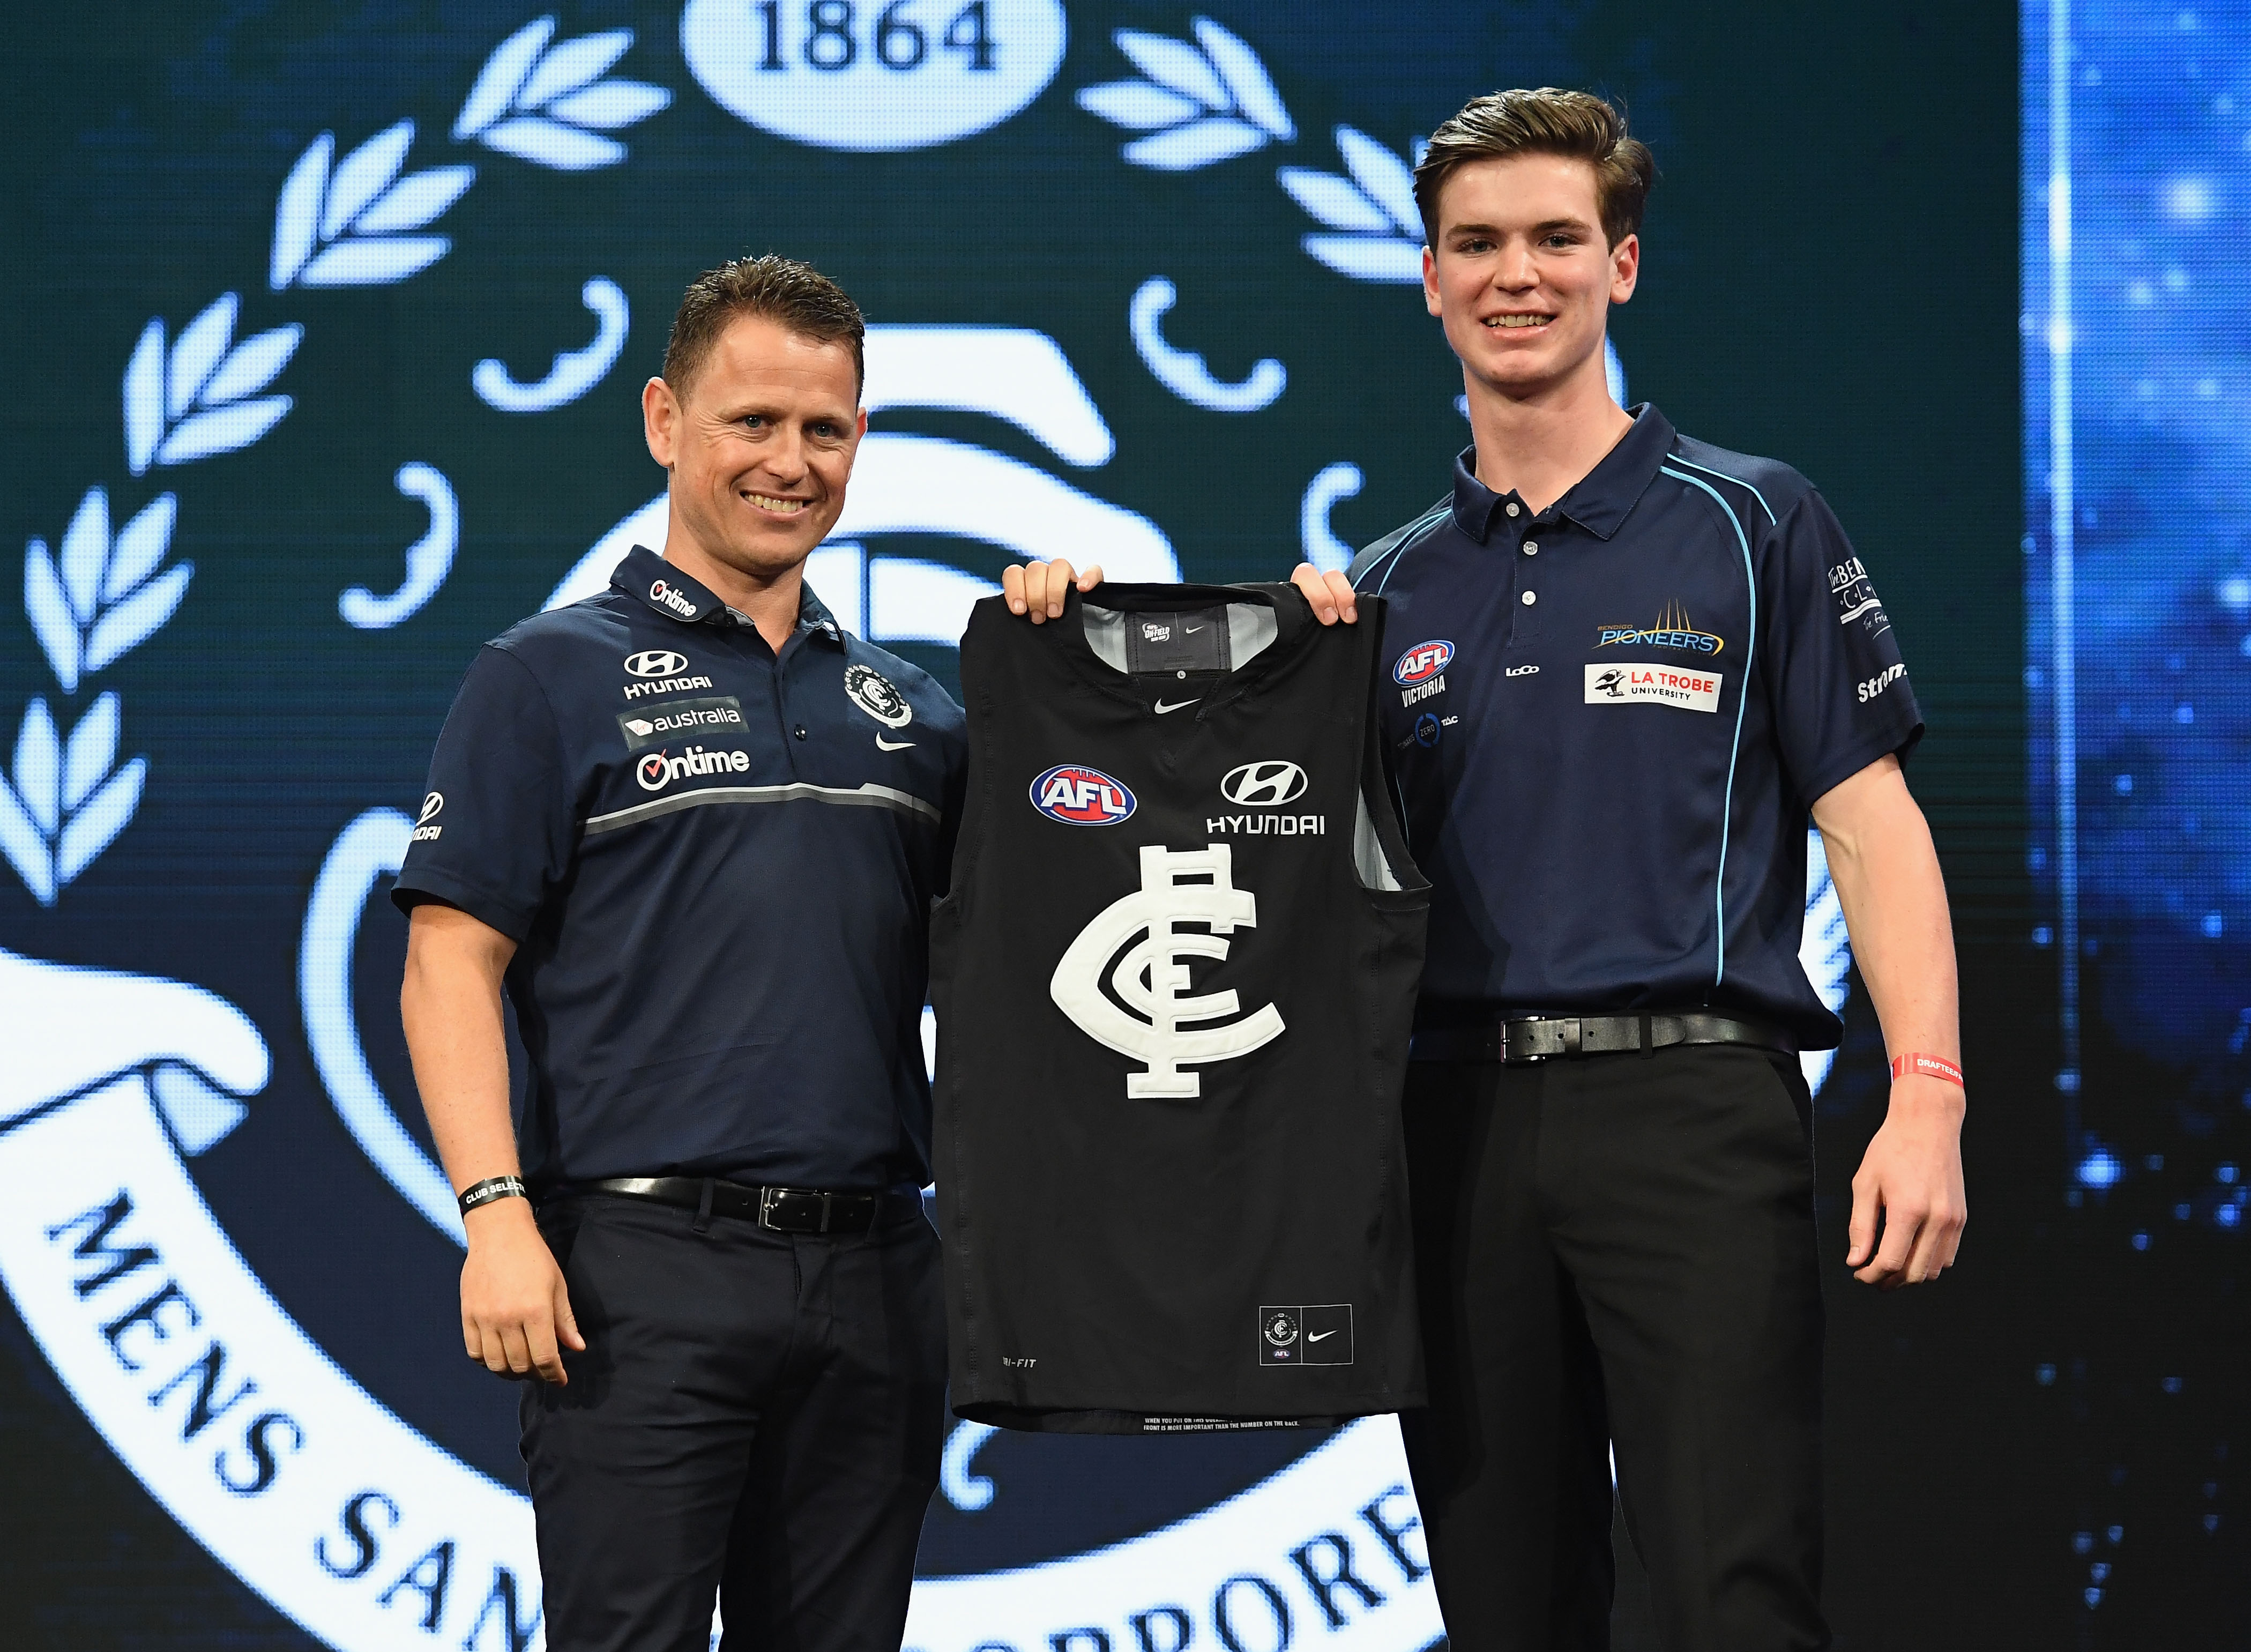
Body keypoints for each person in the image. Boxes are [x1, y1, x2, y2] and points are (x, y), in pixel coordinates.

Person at [1004, 87, 1965, 1651]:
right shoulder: (1377, 593)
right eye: (1479, 244)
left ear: (1625, 265)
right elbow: (1202, 831)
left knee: (1736, 1594)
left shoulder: (1754, 520)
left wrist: (1926, 1088)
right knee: (1506, 1606)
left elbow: (1872, 817)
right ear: (1429, 280)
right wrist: (1064, 633)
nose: (1519, 273)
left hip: (1696, 1116)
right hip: (1444, 1134)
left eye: (1556, 238)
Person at [396, 256, 964, 1652]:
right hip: (634, 1275)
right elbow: (448, 961)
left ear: (860, 444)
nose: (791, 461)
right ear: (665, 420)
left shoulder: (920, 712)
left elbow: (1058, 932)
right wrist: (494, 1215)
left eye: (823, 429)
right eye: (752, 421)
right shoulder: (543, 675)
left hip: (882, 1270)